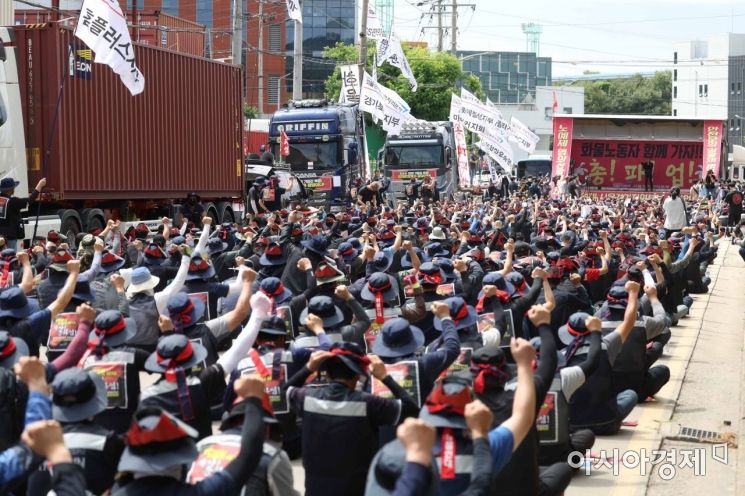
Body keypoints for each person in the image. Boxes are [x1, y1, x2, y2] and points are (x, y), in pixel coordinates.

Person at [283, 342, 419, 495]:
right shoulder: (370, 403)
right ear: (357, 375)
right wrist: (385, 377)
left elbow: (285, 392)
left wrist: (308, 368)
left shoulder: (306, 398)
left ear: (327, 373)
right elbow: (411, 408)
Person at [0, 176, 46, 250]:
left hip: (1, 237)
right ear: (11, 189)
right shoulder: (12, 201)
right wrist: (39, 185)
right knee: (10, 258)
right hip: (10, 237)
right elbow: (29, 200)